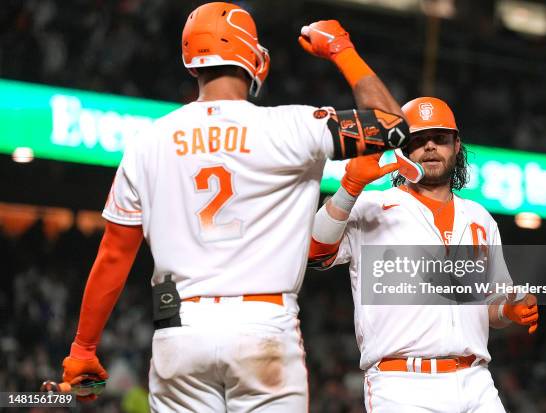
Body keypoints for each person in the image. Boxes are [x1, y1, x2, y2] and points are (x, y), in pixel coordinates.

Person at [59, 2, 412, 411]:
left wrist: (83, 348)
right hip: (263, 325)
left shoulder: (147, 142)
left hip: (180, 328)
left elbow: (114, 255)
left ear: (192, 62)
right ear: (253, 58)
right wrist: (341, 50)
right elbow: (394, 124)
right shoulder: (294, 126)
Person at [308, 97, 539, 412]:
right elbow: (314, 251)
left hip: (476, 381)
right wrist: (349, 187)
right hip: (401, 384)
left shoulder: (480, 218)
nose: (430, 147)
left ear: (456, 145)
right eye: (419, 140)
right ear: (403, 149)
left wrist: (508, 309)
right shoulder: (372, 206)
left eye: (440, 138)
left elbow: (490, 306)